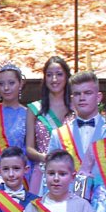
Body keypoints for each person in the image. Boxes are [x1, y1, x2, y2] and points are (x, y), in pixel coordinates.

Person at [45, 71, 106, 188]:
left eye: (88, 93)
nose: (82, 98)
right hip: (68, 197)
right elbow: (49, 174)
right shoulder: (59, 135)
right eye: (77, 94)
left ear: (98, 97)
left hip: (105, 197)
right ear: (72, 99)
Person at [0, 64, 37, 173]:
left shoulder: (28, 114)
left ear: (21, 84)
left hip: (16, 172)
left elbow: (30, 149)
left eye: (11, 83)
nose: (6, 88)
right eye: (1, 84)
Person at [30, 57, 72, 191]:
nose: (54, 79)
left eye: (59, 74)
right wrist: (45, 158)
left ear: (67, 77)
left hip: (70, 172)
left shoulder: (76, 108)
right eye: (49, 75)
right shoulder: (35, 109)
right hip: (43, 172)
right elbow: (29, 148)